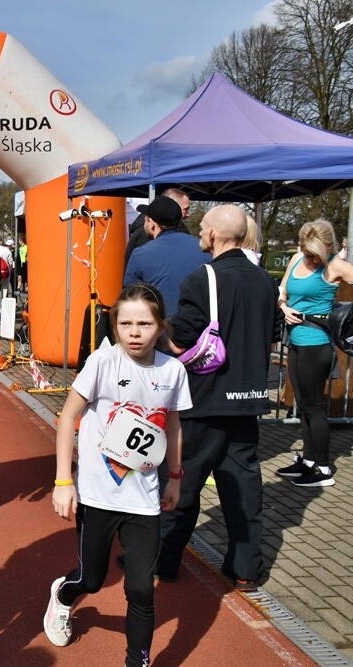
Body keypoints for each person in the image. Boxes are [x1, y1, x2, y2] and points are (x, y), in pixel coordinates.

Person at [44, 283, 188, 666]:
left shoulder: (172, 370)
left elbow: (173, 426)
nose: (134, 333)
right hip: (97, 496)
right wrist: (63, 481)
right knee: (91, 580)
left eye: (144, 324)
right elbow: (68, 418)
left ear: (161, 325)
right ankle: (63, 595)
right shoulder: (102, 362)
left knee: (141, 589)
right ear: (115, 325)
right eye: (126, 324)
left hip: (144, 500)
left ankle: (136, 661)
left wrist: (175, 477)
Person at [156, 205, 281, 591]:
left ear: (212, 234)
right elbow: (273, 334)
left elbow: (180, 341)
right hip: (249, 398)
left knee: (181, 481)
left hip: (205, 400)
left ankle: (163, 560)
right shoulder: (265, 280)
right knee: (243, 487)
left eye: (202, 228)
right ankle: (245, 568)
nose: (199, 233)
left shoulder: (203, 278)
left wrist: (159, 329)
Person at [276, 219, 353, 488]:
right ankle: (308, 461)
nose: (309, 259)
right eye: (306, 252)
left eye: (314, 255)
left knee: (314, 407)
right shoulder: (296, 259)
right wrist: (284, 307)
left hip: (316, 343)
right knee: (303, 405)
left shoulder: (335, 266)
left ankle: (322, 467)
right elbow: (282, 291)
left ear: (328, 247)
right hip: (295, 342)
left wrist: (345, 317)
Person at [123, 195, 210, 317]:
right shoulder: (204, 248)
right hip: (200, 324)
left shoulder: (140, 254)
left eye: (145, 219)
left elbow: (131, 298)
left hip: (161, 323)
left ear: (151, 223)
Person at [124, 188, 191, 268]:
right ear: (171, 206)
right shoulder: (146, 232)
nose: (188, 214)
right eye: (185, 209)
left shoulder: (178, 228)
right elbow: (149, 267)